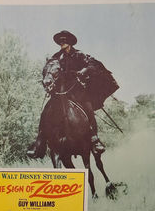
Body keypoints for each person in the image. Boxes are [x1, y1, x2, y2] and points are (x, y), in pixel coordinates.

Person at [27, 30, 119, 158]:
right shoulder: (57, 56)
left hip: (77, 90)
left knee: (88, 108)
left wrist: (84, 70)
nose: (61, 43)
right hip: (61, 91)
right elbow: (50, 67)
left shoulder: (79, 54)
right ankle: (39, 141)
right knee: (46, 110)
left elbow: (93, 64)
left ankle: (94, 139)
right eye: (60, 41)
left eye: (64, 41)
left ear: (69, 42)